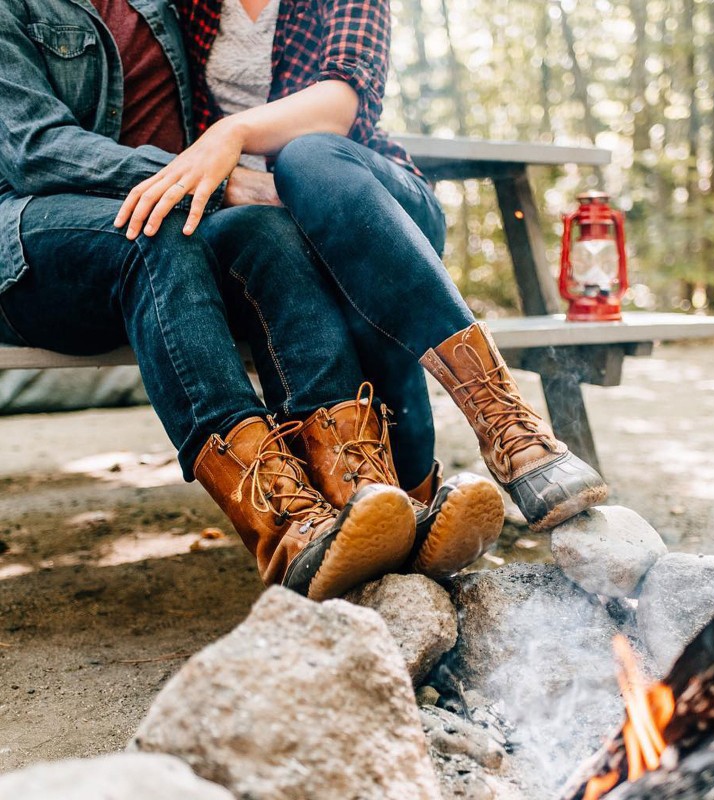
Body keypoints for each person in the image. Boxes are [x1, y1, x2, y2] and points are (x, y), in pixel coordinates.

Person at [0, 0, 507, 601]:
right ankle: (285, 526)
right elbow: (32, 148)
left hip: (241, 200)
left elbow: (324, 95)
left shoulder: (169, 6)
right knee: (158, 226)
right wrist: (208, 175)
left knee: (274, 234)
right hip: (36, 228)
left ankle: (362, 495)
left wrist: (223, 171)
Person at [117, 0, 609, 534]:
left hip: (367, 197)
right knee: (289, 257)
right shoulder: (187, 8)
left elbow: (338, 105)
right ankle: (389, 507)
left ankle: (504, 419)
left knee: (308, 159)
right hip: (260, 222)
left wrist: (229, 134)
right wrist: (233, 181)